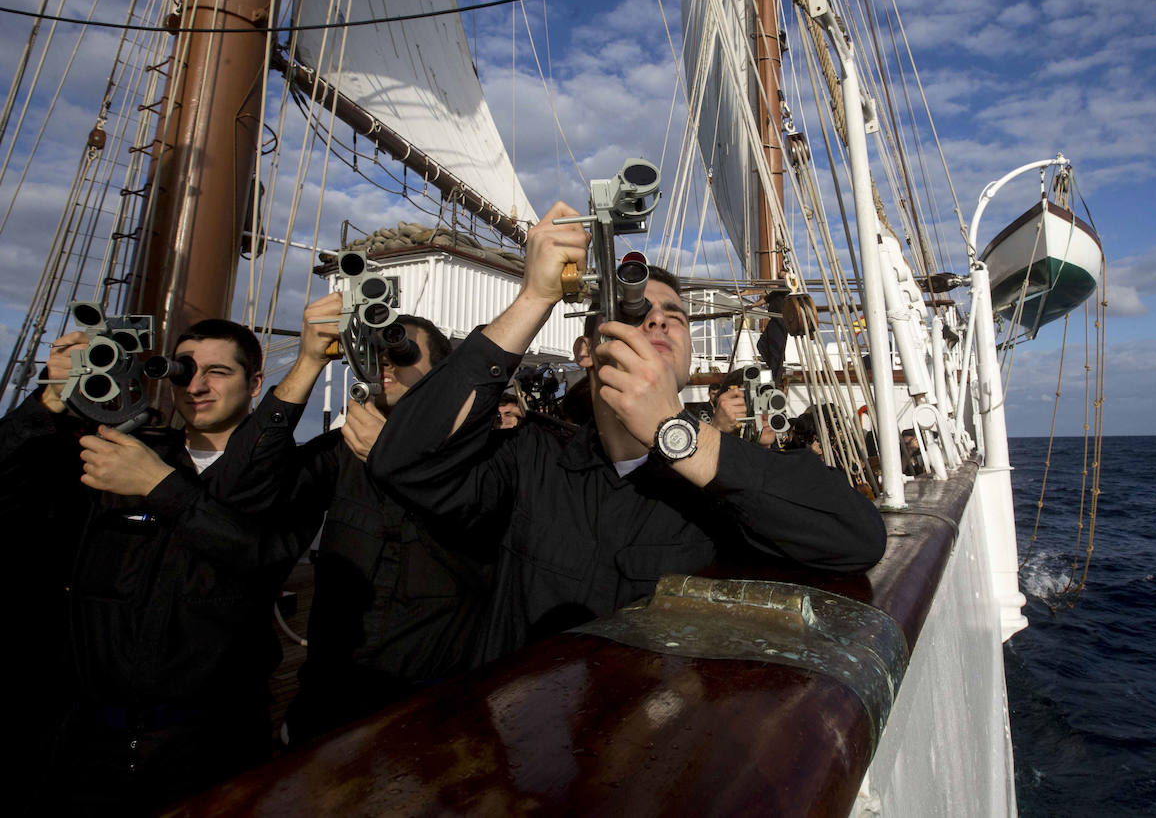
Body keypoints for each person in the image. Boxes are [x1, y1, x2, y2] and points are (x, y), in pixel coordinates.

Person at [369, 203, 887, 665]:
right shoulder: (529, 461)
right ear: (586, 352)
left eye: (676, 318)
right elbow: (406, 459)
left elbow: (855, 539)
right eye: (636, 313)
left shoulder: (725, 480)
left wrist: (675, 432)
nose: (659, 323)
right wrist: (533, 297)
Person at [1, 307, 330, 814]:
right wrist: (49, 401)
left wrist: (158, 486)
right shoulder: (118, 454)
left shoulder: (292, 474)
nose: (195, 385)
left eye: (217, 372)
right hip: (85, 742)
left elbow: (259, 555)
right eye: (182, 370)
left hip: (208, 745)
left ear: (256, 381)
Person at [282, 311, 498, 746]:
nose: (385, 362)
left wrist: (396, 463)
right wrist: (307, 364)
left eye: (401, 351)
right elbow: (255, 490)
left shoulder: (482, 462)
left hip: (435, 708)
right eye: (376, 352)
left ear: (441, 374)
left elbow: (484, 571)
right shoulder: (336, 455)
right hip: (332, 702)